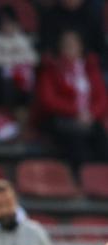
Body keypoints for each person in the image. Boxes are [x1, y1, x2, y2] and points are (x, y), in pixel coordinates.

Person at [34, 29, 108, 171]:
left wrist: (91, 114)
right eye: (66, 44)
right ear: (60, 47)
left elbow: (102, 98)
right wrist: (75, 112)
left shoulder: (90, 68)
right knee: (78, 145)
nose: (70, 47)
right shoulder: (51, 68)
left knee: (102, 142)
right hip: (61, 119)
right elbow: (48, 100)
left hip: (89, 119)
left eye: (74, 44)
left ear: (81, 46)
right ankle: (81, 183)